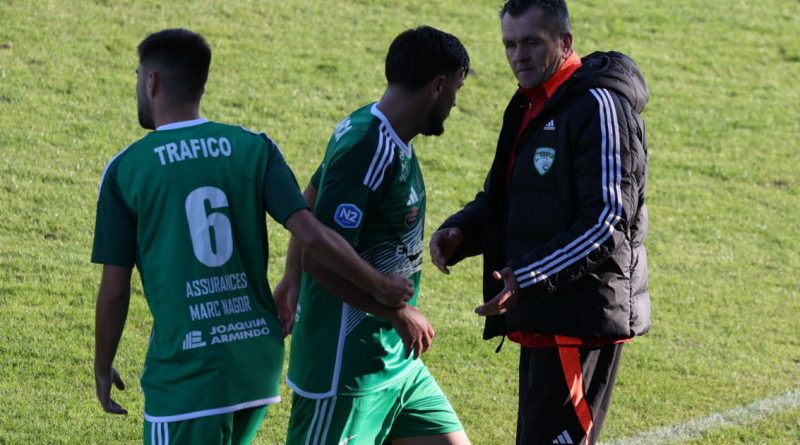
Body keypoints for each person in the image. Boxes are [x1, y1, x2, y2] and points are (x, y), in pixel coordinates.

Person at [91, 28, 414, 445]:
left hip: (189, 372)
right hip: (255, 361)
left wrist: (102, 366)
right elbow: (312, 235)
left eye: (138, 76)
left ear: (151, 81)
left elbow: (115, 291)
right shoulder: (253, 147)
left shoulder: (127, 169)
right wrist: (380, 284)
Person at [429, 1, 650, 444]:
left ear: (564, 42)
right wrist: (462, 232)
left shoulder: (598, 105)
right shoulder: (532, 103)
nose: (518, 55)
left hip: (578, 319)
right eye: (510, 44)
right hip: (544, 313)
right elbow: (508, 197)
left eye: (531, 42)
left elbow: (608, 220)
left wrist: (528, 277)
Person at [272, 26, 471, 445]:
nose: (455, 102)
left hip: (395, 362)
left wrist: (290, 281)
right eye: (455, 89)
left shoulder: (371, 126)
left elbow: (307, 200)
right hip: (345, 371)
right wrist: (393, 309)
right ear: (437, 86)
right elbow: (318, 257)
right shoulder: (368, 146)